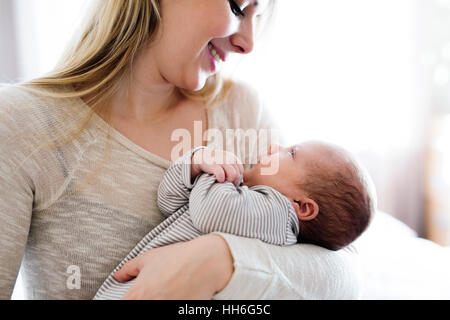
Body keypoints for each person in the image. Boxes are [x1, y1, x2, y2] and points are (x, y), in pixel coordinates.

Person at [0, 0, 362, 300]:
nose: (248, 43)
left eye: (259, 16)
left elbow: (343, 274)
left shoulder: (242, 110)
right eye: (238, 6)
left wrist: (220, 261)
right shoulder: (21, 122)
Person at [94, 141, 375, 299]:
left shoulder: (276, 215)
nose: (275, 147)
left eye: (290, 153)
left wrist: (220, 174)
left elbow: (210, 212)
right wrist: (195, 164)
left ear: (302, 207)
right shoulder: (246, 199)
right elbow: (167, 202)